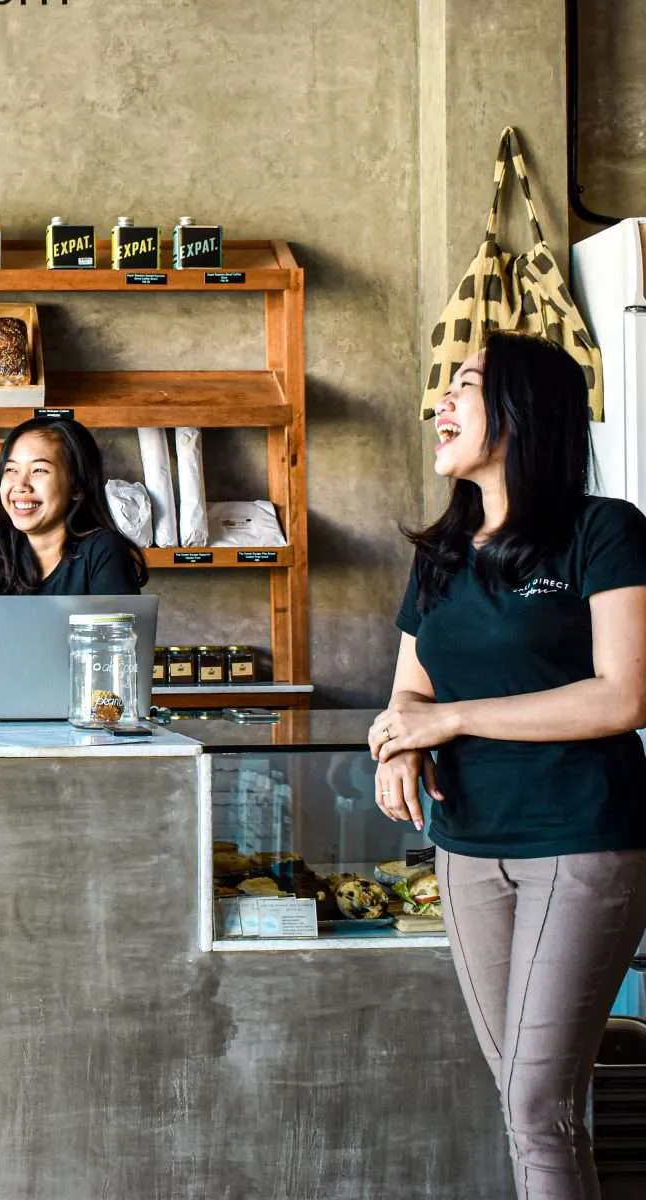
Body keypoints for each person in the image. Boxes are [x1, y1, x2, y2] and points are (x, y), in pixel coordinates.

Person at [370, 331, 646, 1200]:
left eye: (466, 386)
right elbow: (406, 693)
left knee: (536, 1104)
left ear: (525, 413)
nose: (442, 406)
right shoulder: (442, 554)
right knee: (533, 1105)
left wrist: (446, 718)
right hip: (465, 846)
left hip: (580, 841)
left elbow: (623, 697)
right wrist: (397, 743)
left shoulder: (603, 532)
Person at [0, 416, 148, 720]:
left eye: (39, 470)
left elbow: (114, 687)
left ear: (77, 487)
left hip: (86, 737)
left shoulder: (103, 553)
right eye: (11, 470)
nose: (20, 485)